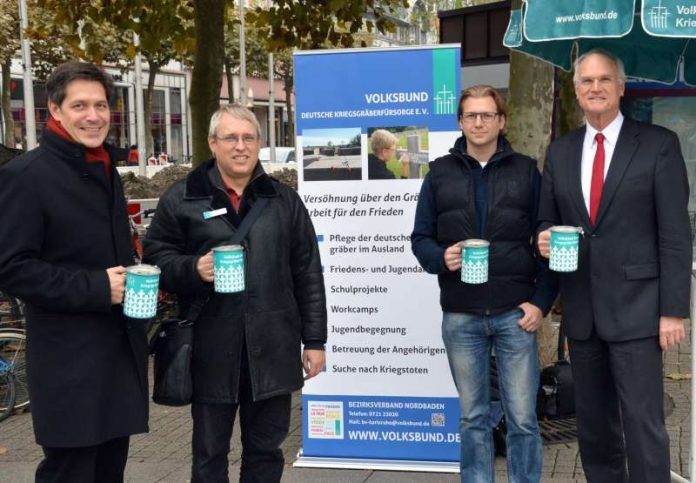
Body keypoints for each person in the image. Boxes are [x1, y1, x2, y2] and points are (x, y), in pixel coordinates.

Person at [143, 104, 327, 483]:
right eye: (230, 138)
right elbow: (156, 260)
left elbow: (307, 273)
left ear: (259, 143)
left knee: (266, 452)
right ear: (213, 143)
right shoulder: (183, 198)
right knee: (210, 456)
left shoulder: (284, 201)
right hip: (211, 346)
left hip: (273, 345)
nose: (240, 146)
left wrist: (314, 340)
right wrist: (193, 269)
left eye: (248, 138)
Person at [537, 49, 691, 483]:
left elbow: (676, 235)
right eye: (586, 81)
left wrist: (673, 310)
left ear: (621, 87)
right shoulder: (561, 152)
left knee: (644, 427)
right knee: (594, 429)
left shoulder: (659, 145)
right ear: (577, 90)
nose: (595, 88)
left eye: (605, 79)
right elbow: (546, 221)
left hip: (640, 312)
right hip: (583, 314)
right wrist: (543, 237)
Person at [0, 61, 148, 482]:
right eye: (80, 105)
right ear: (55, 110)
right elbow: (11, 268)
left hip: (117, 357)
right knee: (71, 472)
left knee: (108, 472)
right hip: (68, 366)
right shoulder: (25, 177)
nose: (93, 116)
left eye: (100, 105)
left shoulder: (104, 168)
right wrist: (98, 287)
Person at [411, 85, 556, 483]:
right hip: (461, 316)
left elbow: (546, 240)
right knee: (473, 418)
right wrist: (441, 257)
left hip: (515, 314)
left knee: (523, 418)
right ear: (460, 121)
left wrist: (540, 302)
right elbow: (419, 239)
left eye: (487, 115)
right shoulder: (439, 173)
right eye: (471, 115)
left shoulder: (527, 171)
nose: (478, 122)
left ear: (501, 121)